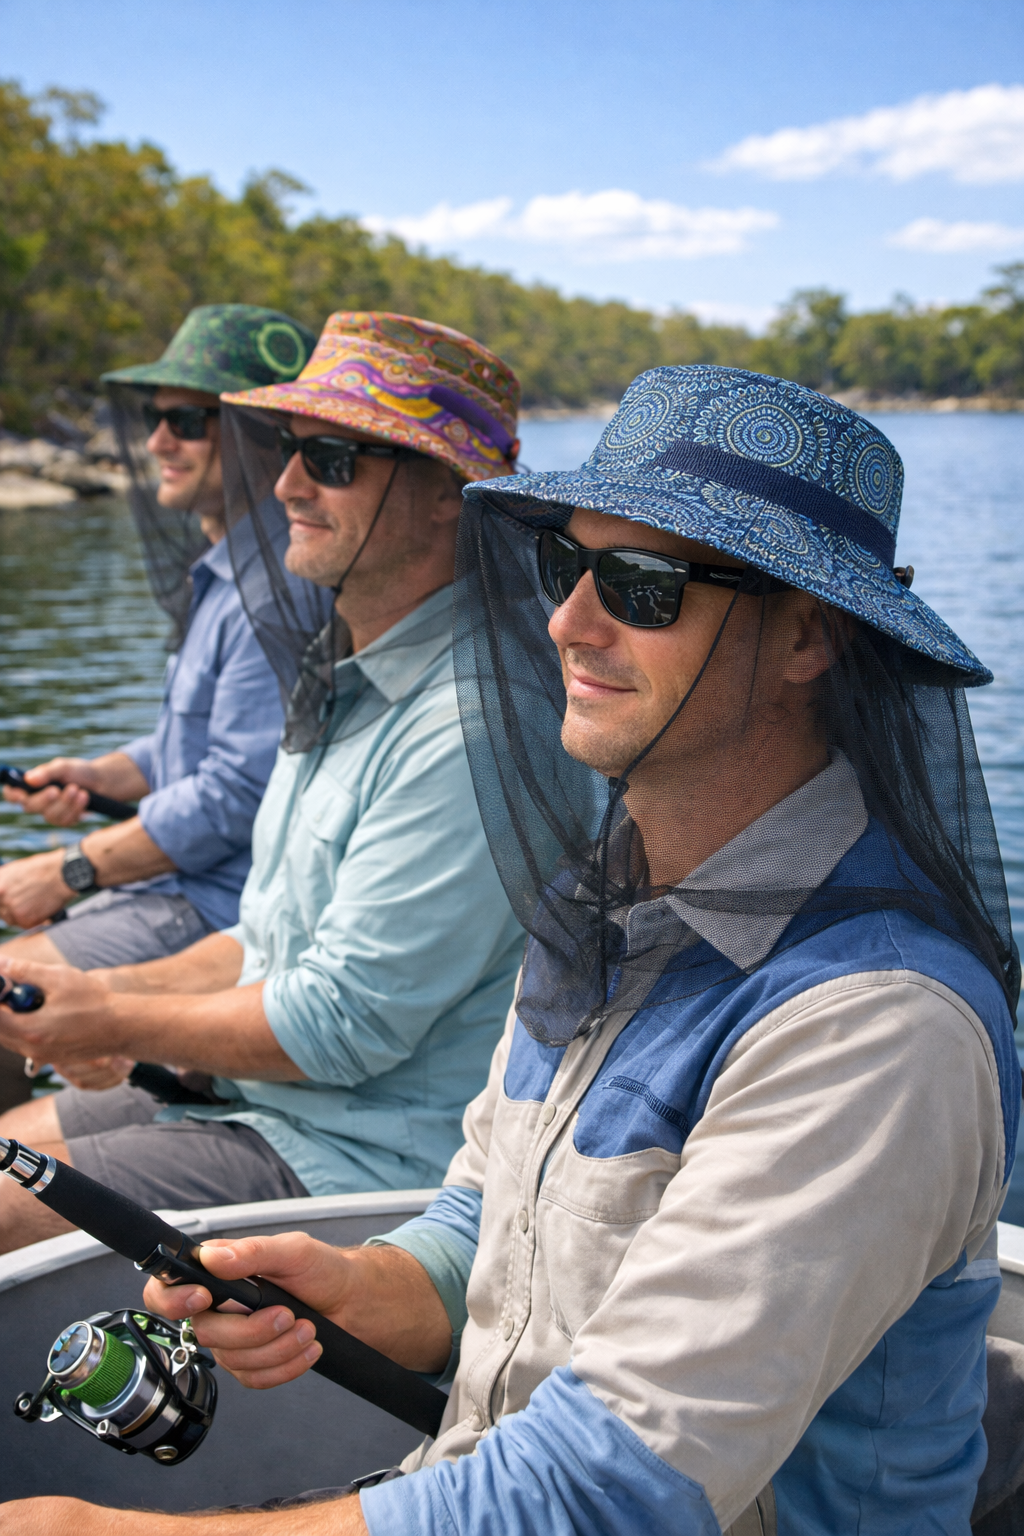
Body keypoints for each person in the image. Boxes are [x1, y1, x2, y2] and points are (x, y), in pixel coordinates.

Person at [10, 365, 1017, 1536]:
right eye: (563, 567)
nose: (567, 623)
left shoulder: (874, 1027)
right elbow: (489, 1221)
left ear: (807, 637)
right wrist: (367, 1283)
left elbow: (605, 1494)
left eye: (641, 587)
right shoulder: (607, 905)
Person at [0, 313, 526, 1252]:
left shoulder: (467, 727)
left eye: (332, 459)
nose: (285, 484)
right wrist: (101, 1006)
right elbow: (266, 936)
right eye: (289, 449)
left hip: (362, 1164)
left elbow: (341, 1024)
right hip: (260, 1101)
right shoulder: (342, 681)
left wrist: (113, 1013)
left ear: (448, 493)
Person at [0, 305, 316, 1102]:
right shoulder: (229, 570)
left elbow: (236, 793)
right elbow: (199, 742)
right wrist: (96, 774)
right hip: (171, 887)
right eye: (155, 418)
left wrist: (69, 869)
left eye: (188, 421)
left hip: (211, 907)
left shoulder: (274, 591)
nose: (157, 443)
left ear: (263, 437)